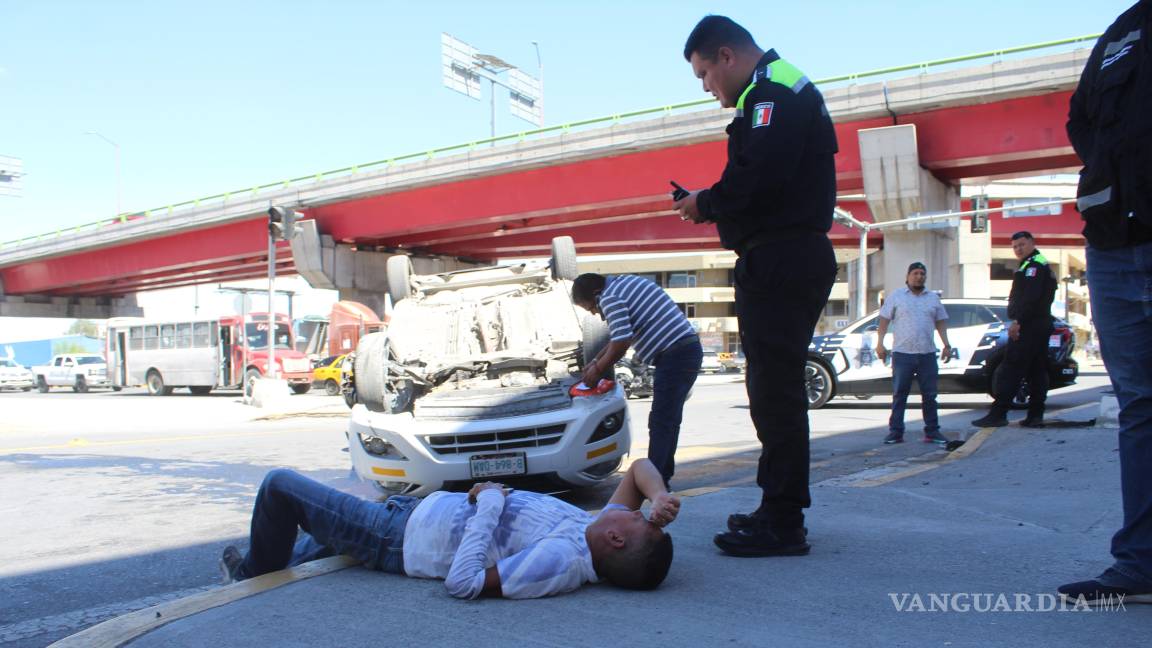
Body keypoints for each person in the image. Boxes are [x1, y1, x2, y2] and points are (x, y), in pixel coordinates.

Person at [673, 15, 838, 557]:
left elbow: (760, 173)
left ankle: (784, 521)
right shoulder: (776, 90)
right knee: (773, 389)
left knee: (775, 392)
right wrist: (712, 200)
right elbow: (766, 174)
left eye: (703, 73)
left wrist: (707, 202)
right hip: (784, 254)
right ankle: (777, 507)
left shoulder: (771, 94)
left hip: (781, 257)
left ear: (726, 56)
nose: (705, 87)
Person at [219, 458, 679, 599]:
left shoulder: (561, 560)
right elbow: (640, 469)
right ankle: (267, 564)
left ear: (617, 539)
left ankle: (250, 575)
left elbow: (464, 584)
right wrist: (658, 497)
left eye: (638, 517)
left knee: (279, 486)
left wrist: (491, 504)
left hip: (395, 538)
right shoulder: (592, 528)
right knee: (325, 533)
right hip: (412, 514)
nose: (636, 509)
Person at [1059, 0, 1152, 604]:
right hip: (1117, 244)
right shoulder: (1124, 29)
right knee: (1141, 406)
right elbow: (1082, 120)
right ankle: (1142, 563)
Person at [571, 273, 702, 487]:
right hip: (683, 351)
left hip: (675, 354)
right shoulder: (623, 284)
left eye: (592, 308)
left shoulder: (610, 297)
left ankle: (656, 481)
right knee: (667, 420)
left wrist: (598, 370)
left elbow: (621, 342)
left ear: (596, 294)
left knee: (662, 421)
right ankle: (659, 477)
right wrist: (595, 361)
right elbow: (620, 337)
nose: (598, 315)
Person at [971, 232, 1057, 428]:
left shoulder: (1033, 266)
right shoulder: (1037, 263)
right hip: (1039, 324)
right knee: (1036, 370)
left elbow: (1030, 298)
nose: (1018, 249)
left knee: (1011, 368)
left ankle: (999, 413)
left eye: (1022, 244)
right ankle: (1035, 415)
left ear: (1032, 243)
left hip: (1030, 325)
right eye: (1015, 246)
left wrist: (1018, 321)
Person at [875, 262, 953, 445]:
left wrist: (946, 345)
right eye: (916, 273)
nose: (919, 276)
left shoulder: (933, 298)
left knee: (930, 395)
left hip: (927, 353)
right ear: (908, 276)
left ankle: (932, 432)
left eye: (922, 273)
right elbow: (884, 321)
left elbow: (941, 322)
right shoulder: (896, 296)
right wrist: (880, 344)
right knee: (900, 394)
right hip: (903, 354)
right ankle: (895, 432)